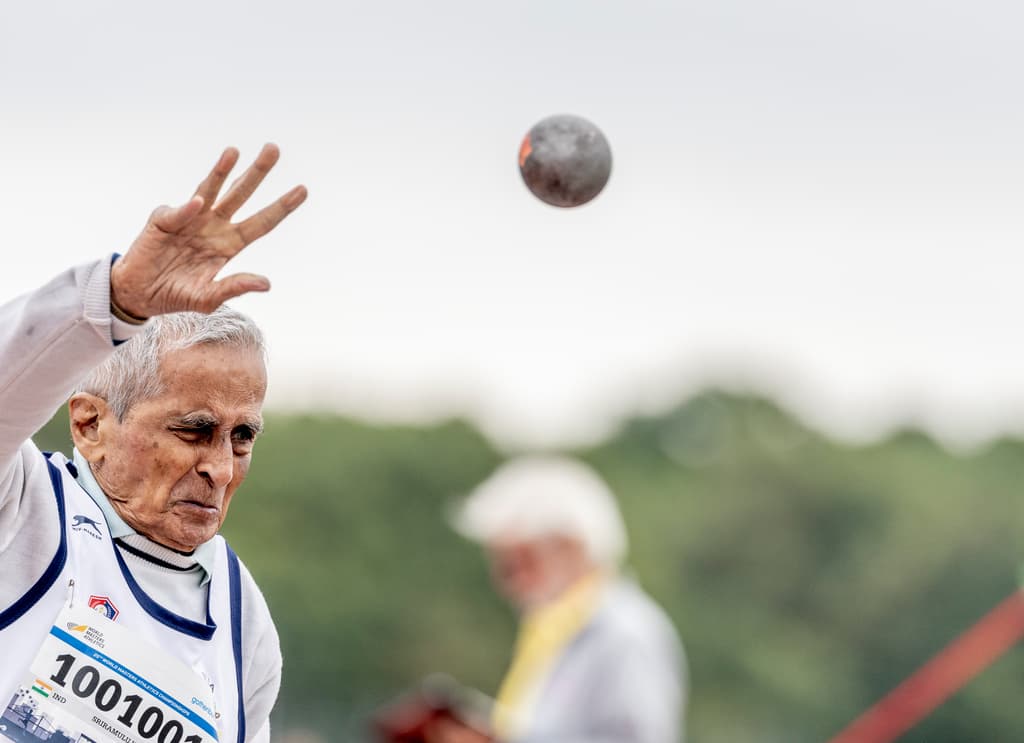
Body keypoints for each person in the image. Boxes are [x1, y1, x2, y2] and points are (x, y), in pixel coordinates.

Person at [0, 144, 306, 743]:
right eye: (193, 430)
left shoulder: (243, 622)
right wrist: (114, 301)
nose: (219, 468)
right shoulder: (24, 512)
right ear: (90, 426)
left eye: (241, 438)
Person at [425, 455, 687, 743]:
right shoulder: (555, 630)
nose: (507, 581)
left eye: (519, 562)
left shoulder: (625, 633)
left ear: (570, 547)